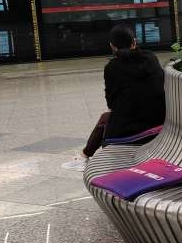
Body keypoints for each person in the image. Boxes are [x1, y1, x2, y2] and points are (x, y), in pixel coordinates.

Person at [62, 23, 166, 171]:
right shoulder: (151, 59)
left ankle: (84, 157)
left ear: (112, 46)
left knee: (105, 118)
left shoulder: (112, 68)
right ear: (134, 42)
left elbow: (111, 103)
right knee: (110, 116)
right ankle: (83, 157)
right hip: (159, 122)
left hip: (129, 133)